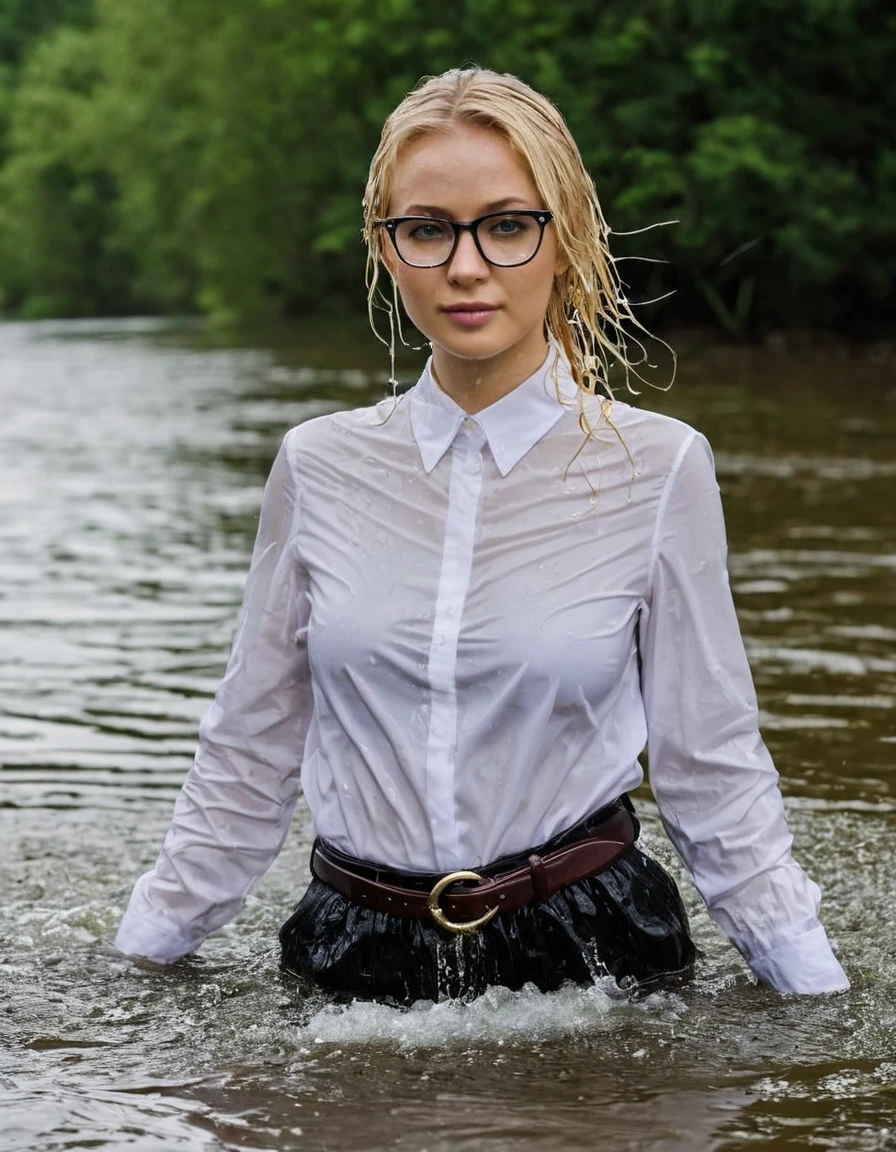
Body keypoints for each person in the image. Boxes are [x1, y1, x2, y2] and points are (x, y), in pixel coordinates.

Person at [114, 67, 849, 1004]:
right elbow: (250, 743)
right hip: (354, 945)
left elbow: (710, 761)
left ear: (565, 238)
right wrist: (132, 968)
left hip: (592, 953)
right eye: (428, 230)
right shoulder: (316, 463)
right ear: (387, 249)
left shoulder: (658, 466)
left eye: (507, 225)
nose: (466, 267)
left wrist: (815, 998)